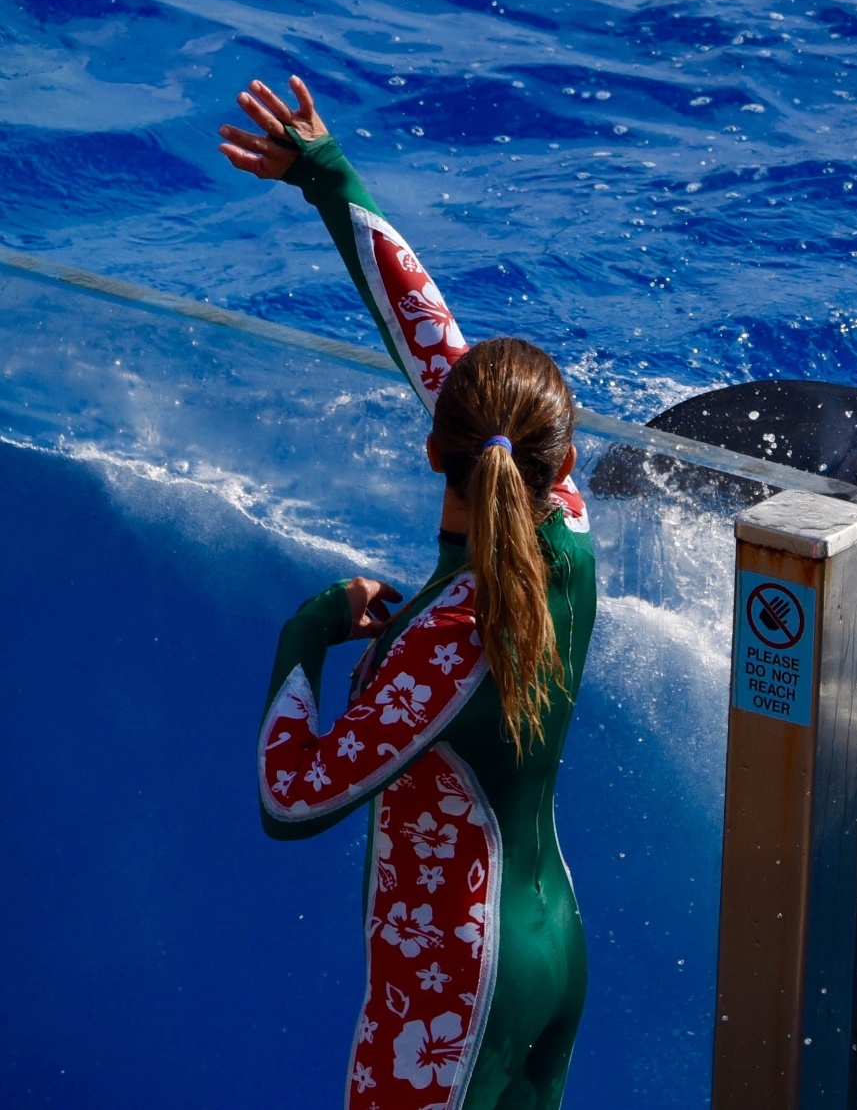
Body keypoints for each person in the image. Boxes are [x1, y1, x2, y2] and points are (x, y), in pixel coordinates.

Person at [220, 77, 594, 1110]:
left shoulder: (446, 642)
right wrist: (328, 178)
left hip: (451, 988)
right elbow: (430, 334)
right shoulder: (567, 522)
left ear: (442, 450)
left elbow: (293, 797)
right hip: (550, 942)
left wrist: (307, 635)